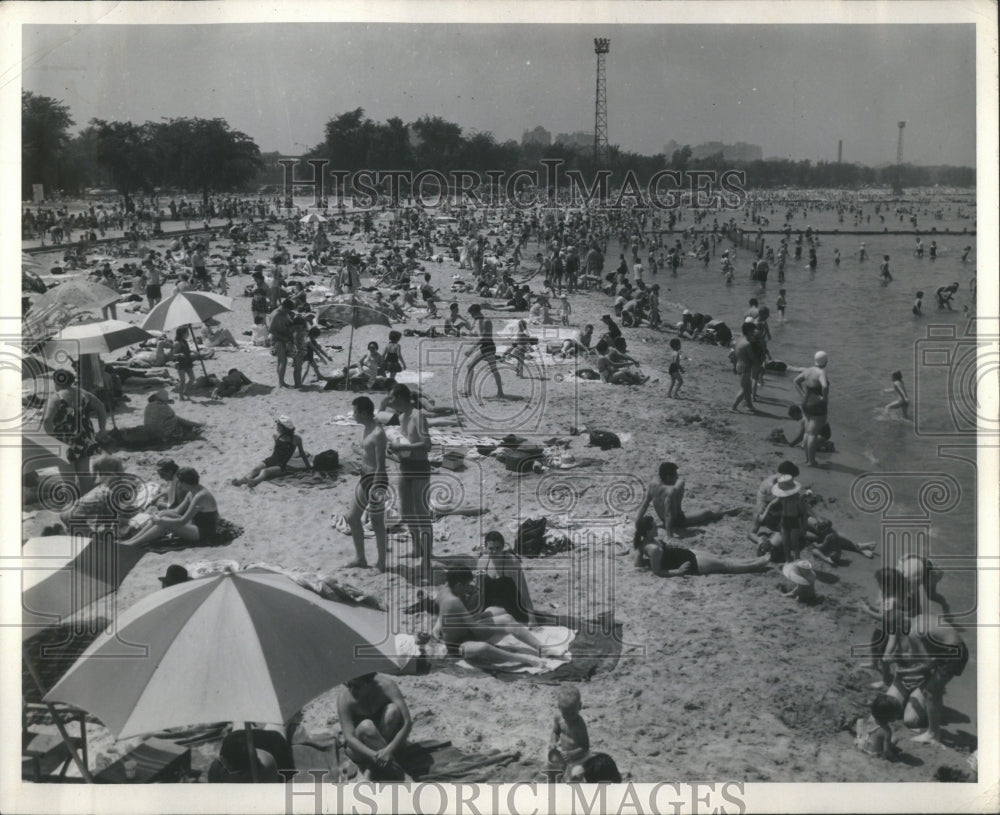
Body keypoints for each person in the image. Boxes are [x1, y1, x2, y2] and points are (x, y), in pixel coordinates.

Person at [883, 597, 967, 744]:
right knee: (933, 690)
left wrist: (905, 670)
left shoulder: (914, 633)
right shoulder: (918, 619)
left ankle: (933, 734)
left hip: (952, 653)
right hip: (955, 648)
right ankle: (933, 728)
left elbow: (927, 664)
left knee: (931, 691)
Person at [433, 568, 549, 669]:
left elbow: (441, 611)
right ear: (458, 585)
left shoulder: (444, 590)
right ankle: (526, 659)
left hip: (465, 630)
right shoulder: (454, 601)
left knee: (505, 616)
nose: (468, 588)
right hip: (457, 645)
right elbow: (475, 628)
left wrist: (437, 626)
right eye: (466, 585)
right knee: (485, 647)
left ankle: (542, 649)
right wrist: (502, 628)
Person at [386, 384, 434, 580]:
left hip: (420, 467)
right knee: (406, 510)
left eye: (392, 398)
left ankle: (428, 558)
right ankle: (416, 548)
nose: (390, 402)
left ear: (400, 397)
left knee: (422, 514)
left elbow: (427, 445)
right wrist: (394, 449)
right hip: (405, 467)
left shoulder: (418, 416)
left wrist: (400, 448)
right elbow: (404, 442)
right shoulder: (402, 417)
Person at [633, 516, 770, 576]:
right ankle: (758, 564)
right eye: (653, 526)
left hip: (686, 554)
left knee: (720, 558)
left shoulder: (645, 542)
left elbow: (638, 564)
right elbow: (657, 572)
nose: (657, 526)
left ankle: (755, 561)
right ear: (647, 531)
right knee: (725, 565)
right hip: (691, 564)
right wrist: (678, 572)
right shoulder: (653, 548)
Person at [42, 368, 109, 491]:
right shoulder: (83, 393)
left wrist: (50, 437)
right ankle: (87, 501)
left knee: (67, 478)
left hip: (65, 440)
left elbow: (47, 420)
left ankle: (72, 504)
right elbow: (101, 407)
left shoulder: (56, 398)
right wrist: (102, 429)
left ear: (56, 382)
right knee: (84, 474)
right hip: (85, 437)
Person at [337, 673, 412, 781]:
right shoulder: (344, 697)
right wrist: (375, 756)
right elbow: (350, 738)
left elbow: (407, 722)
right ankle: (400, 773)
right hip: (361, 749)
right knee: (366, 726)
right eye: (349, 685)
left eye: (357, 686)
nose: (352, 690)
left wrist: (389, 750)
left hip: (386, 742)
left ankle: (371, 768)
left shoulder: (386, 686)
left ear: (370, 682)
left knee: (393, 710)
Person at [120, 466, 219, 546]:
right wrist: (160, 514)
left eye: (180, 483)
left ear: (185, 482)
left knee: (163, 523)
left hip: (203, 532)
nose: (179, 486)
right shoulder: (192, 492)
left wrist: (162, 521)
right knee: (163, 515)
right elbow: (177, 511)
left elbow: (182, 521)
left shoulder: (200, 496)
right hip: (195, 525)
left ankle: (133, 544)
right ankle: (132, 540)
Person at [636, 462, 737, 539]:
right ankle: (729, 512)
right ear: (668, 477)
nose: (676, 478)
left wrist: (637, 521)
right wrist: (669, 536)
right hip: (677, 521)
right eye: (675, 476)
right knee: (707, 513)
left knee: (676, 491)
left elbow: (645, 505)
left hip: (664, 520)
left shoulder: (653, 484)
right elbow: (668, 514)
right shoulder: (670, 491)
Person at [344, 397, 389, 572]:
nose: (353, 415)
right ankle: (360, 558)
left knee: (377, 522)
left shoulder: (378, 433)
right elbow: (368, 453)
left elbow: (380, 465)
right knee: (352, 518)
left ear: (363, 413)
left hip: (377, 480)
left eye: (355, 412)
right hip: (365, 477)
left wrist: (376, 489)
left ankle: (382, 563)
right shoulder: (366, 428)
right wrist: (358, 452)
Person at [58, 455, 137, 537]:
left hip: (65, 511)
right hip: (74, 518)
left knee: (80, 532)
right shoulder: (111, 493)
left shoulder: (97, 489)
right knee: (94, 541)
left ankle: (69, 532)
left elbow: (93, 477)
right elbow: (110, 517)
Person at [232, 416, 310, 487]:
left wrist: (308, 466)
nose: (277, 427)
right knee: (256, 469)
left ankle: (254, 481)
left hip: (281, 465)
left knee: (265, 472)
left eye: (278, 426)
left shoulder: (296, 439)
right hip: (271, 459)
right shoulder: (276, 436)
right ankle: (242, 480)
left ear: (284, 428)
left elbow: (302, 453)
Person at [477, 531, 536, 623]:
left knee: (483, 620)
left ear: (503, 547)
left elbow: (524, 592)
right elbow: (478, 589)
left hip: (510, 606)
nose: (494, 552)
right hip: (489, 604)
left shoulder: (512, 563)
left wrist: (532, 619)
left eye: (498, 548)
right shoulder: (482, 562)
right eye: (491, 548)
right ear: (486, 548)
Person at [758, 474, 814, 563]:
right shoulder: (782, 498)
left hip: (794, 521)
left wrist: (804, 527)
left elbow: (804, 514)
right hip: (784, 520)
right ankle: (788, 559)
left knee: (795, 542)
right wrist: (764, 515)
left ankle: (796, 559)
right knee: (786, 541)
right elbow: (771, 504)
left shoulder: (798, 499)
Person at [793, 351, 831, 466]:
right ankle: (812, 461)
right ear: (825, 362)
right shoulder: (821, 372)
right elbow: (824, 386)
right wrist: (824, 399)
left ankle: (807, 459)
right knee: (813, 434)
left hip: (806, 402)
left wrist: (802, 394)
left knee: (807, 432)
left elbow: (795, 381)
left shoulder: (808, 370)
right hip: (817, 404)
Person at [463, 304, 505, 402]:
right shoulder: (479, 321)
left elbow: (485, 337)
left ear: (476, 312)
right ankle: (469, 391)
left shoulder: (486, 321)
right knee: (472, 366)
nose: (471, 316)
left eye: (472, 314)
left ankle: (500, 393)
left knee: (491, 369)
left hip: (488, 347)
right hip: (485, 347)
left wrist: (471, 349)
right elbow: (477, 334)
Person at [549, 686, 590, 780]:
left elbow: (585, 747)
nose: (569, 717)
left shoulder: (580, 724)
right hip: (564, 753)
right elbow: (555, 732)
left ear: (579, 706)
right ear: (559, 707)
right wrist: (553, 742)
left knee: (574, 776)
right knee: (553, 768)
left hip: (578, 756)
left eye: (573, 713)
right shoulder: (558, 717)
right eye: (566, 713)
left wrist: (571, 754)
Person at [855, 695, 902, 760]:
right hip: (873, 753)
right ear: (889, 716)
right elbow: (886, 751)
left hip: (860, 745)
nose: (898, 715)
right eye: (896, 714)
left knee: (861, 722)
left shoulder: (871, 718)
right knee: (895, 739)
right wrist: (895, 758)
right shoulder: (886, 731)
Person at [268, 298, 295, 388]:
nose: (288, 311)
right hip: (278, 339)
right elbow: (271, 329)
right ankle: (281, 382)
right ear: (284, 307)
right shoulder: (277, 314)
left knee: (280, 360)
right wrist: (284, 338)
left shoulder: (282, 313)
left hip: (282, 338)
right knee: (283, 361)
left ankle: (281, 381)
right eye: (287, 310)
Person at [731, 322, 757, 413]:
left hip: (739, 365)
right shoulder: (747, 344)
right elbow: (752, 357)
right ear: (749, 331)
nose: (754, 332)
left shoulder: (739, 340)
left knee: (748, 387)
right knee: (744, 389)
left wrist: (734, 366)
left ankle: (749, 405)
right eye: (753, 330)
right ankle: (733, 407)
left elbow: (733, 355)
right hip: (745, 367)